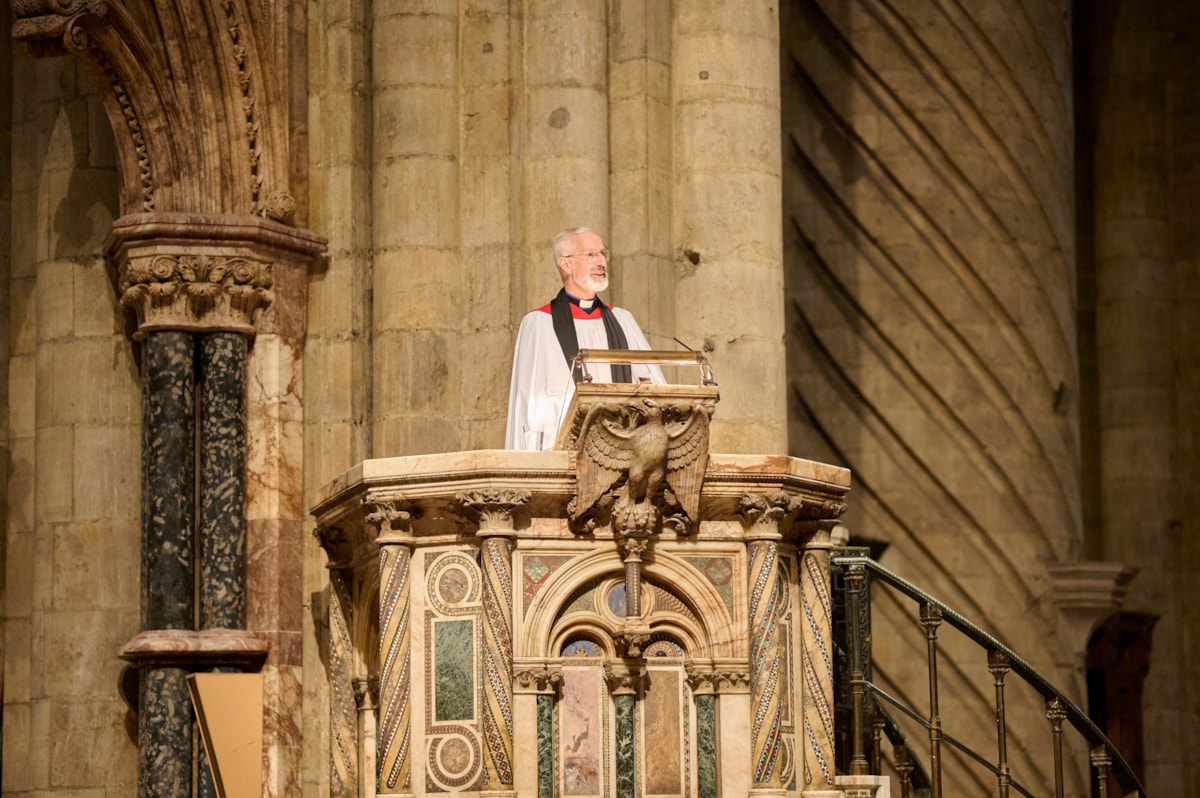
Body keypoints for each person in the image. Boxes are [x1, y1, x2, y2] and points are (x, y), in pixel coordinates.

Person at [505, 227, 665, 450]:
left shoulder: (622, 320)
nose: (601, 261)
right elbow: (528, 407)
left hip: (626, 449)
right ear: (566, 264)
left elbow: (656, 387)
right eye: (591, 255)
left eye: (603, 254)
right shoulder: (539, 324)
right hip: (567, 451)